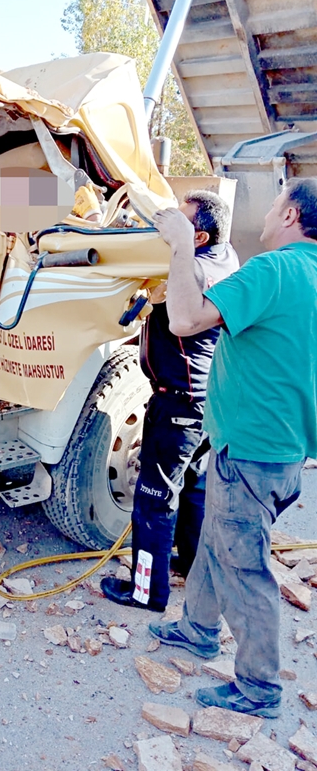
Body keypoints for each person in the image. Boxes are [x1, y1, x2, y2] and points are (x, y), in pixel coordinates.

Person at [148, 177, 317, 718]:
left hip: (251, 448)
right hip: (282, 449)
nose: (264, 215)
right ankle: (196, 627)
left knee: (244, 564)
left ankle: (259, 688)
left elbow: (184, 319)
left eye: (272, 205)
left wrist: (178, 244)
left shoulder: (275, 269)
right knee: (221, 543)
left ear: (291, 215)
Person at [101, 191, 238, 613]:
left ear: (197, 236)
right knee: (192, 488)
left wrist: (176, 247)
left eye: (178, 224)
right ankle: (190, 564)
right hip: (203, 402)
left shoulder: (192, 268)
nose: (167, 230)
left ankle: (146, 592)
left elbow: (179, 306)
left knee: (152, 497)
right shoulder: (223, 255)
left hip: (179, 405)